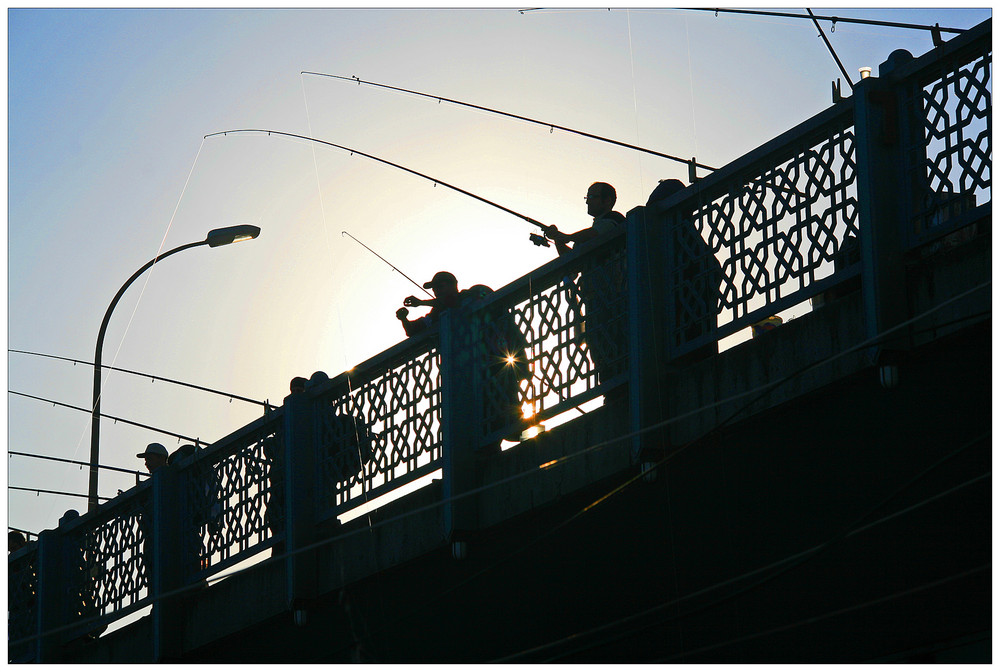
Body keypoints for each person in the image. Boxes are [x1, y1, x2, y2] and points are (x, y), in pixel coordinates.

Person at [542, 182, 628, 387]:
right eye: (587, 197)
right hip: (595, 300)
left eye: (592, 197)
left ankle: (619, 386)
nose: (588, 201)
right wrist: (559, 240)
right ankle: (609, 388)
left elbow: (592, 236)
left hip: (615, 298)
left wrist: (566, 236)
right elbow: (573, 264)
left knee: (616, 344)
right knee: (599, 349)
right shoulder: (593, 232)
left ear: (608, 201)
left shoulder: (613, 220)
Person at [646, 178, 723, 361]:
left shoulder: (680, 239)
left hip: (689, 322)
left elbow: (710, 271)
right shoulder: (671, 239)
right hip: (680, 328)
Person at [395, 271, 470, 337]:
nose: (437, 292)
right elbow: (412, 330)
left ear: (453, 285)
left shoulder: (466, 295)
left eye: (440, 287)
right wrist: (404, 319)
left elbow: (450, 301)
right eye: (434, 289)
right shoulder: (436, 312)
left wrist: (421, 302)